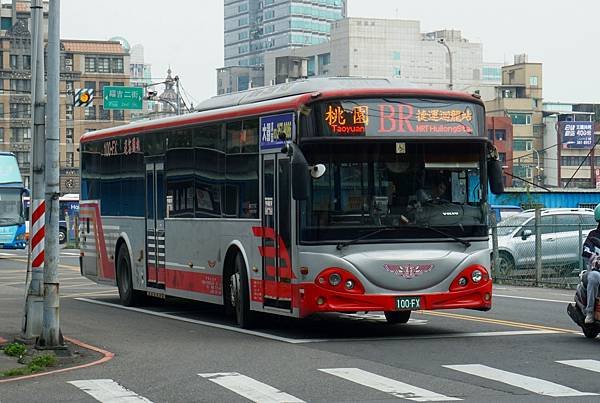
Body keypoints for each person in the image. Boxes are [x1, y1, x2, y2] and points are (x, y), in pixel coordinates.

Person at [581, 204, 600, 324]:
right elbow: (586, 249)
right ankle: (589, 312)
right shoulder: (593, 235)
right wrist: (594, 257)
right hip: (597, 272)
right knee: (593, 277)